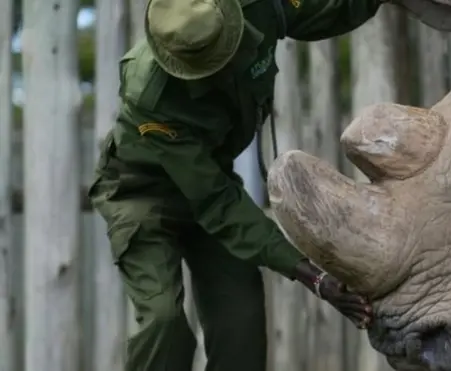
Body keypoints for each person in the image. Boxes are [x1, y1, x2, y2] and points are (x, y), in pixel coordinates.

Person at [87, 0, 388, 370]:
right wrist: (310, 274)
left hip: (212, 182)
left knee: (241, 323)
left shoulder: (255, 8)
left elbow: (318, 12)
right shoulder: (151, 97)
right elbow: (216, 201)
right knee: (163, 323)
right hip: (142, 196)